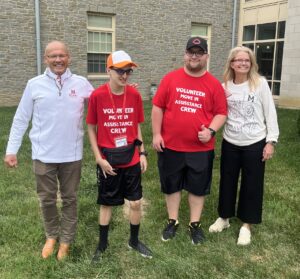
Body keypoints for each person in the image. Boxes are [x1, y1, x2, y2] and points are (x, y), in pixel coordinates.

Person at [4, 41, 94, 260]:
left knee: (70, 198)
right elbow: (21, 118)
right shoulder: (34, 84)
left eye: (62, 55)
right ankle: (52, 235)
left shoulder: (81, 83)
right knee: (47, 199)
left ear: (69, 57)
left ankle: (65, 241)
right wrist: (11, 150)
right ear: (46, 59)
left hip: (71, 155)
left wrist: (123, 92)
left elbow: (103, 104)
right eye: (53, 56)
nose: (58, 60)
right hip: (43, 155)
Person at [151, 37, 227, 244]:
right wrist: (157, 134)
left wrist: (211, 130)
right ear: (185, 54)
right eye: (191, 52)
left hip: (200, 148)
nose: (194, 56)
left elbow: (221, 113)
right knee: (172, 185)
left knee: (197, 186)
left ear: (206, 56)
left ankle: (195, 224)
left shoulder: (213, 84)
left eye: (199, 52)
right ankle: (172, 221)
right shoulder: (170, 79)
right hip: (171, 145)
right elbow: (158, 107)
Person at [209, 46, 279, 245]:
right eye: (238, 60)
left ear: (251, 63)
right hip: (231, 142)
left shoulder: (260, 84)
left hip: (254, 142)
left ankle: (246, 225)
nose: (242, 63)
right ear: (231, 63)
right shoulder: (224, 87)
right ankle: (224, 218)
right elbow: (217, 112)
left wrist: (270, 141)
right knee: (227, 180)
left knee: (252, 183)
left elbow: (270, 114)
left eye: (246, 60)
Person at [86, 50, 152, 261]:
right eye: (120, 71)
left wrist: (142, 152)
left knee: (135, 203)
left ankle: (134, 241)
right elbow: (90, 128)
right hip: (108, 160)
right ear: (109, 71)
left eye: (128, 71)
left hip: (131, 158)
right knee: (107, 204)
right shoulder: (98, 96)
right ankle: (102, 245)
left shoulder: (134, 95)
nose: (124, 75)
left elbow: (137, 127)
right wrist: (98, 157)